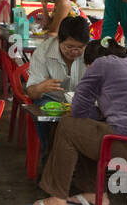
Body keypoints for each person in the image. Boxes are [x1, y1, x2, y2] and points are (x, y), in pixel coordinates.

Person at [27, 37, 127, 205]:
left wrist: (100, 111)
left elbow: (79, 110)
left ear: (91, 63)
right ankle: (94, 194)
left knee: (68, 126)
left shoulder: (101, 65)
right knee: (90, 128)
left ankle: (57, 200)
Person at [24, 16, 91, 162]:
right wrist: (40, 88)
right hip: (51, 99)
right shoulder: (43, 52)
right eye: (69, 47)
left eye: (79, 48)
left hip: (83, 100)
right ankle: (50, 155)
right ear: (59, 40)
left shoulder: (92, 51)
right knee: (42, 113)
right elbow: (31, 92)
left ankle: (82, 159)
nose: (74, 52)